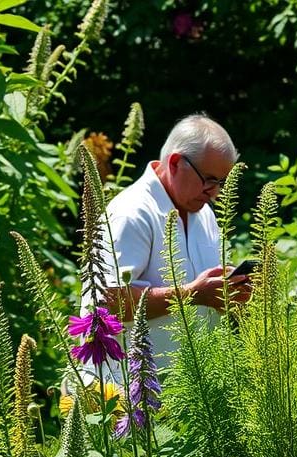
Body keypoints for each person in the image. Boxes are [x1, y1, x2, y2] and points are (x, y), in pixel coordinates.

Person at [85, 113, 250, 374]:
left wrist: (232, 288)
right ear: (175, 163)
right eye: (208, 180)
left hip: (193, 393)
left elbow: (208, 286)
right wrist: (192, 294)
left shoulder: (203, 212)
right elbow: (106, 302)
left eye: (221, 182)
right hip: (128, 395)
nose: (215, 193)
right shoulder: (132, 211)